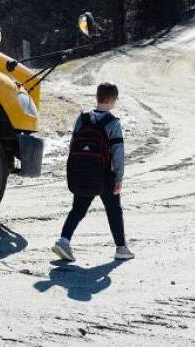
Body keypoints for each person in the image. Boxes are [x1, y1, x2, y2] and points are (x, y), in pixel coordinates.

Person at [52, 83, 135, 262]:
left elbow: (73, 144)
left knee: (78, 209)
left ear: (96, 97)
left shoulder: (82, 118)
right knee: (113, 209)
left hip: (83, 171)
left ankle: (63, 240)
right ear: (113, 100)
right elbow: (118, 152)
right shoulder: (113, 122)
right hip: (105, 174)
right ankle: (121, 248)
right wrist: (119, 177)